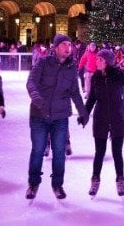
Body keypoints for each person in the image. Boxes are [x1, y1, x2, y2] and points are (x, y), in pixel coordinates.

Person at [25, 34, 89, 200]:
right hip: (39, 114)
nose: (68, 47)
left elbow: (75, 92)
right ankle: (33, 183)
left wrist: (83, 111)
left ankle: (58, 184)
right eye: (64, 44)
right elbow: (31, 82)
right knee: (38, 150)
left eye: (70, 44)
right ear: (55, 47)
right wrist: (35, 96)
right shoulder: (43, 62)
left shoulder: (72, 67)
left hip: (60, 116)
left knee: (59, 152)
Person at [84, 49, 124, 197]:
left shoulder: (117, 75)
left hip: (117, 118)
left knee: (117, 153)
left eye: (100, 59)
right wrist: (84, 114)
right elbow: (92, 98)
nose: (96, 61)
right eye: (97, 58)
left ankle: (120, 181)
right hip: (101, 118)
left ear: (107, 62)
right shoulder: (95, 78)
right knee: (99, 152)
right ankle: (95, 180)